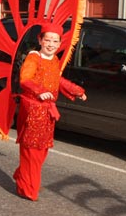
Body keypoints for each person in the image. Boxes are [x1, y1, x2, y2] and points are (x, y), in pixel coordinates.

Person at [13, 22, 87, 201]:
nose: (51, 44)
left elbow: (57, 80)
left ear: (60, 43)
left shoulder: (54, 60)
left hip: (47, 113)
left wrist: (77, 90)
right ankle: (28, 188)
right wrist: (39, 90)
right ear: (40, 40)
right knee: (31, 151)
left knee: (42, 151)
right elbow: (25, 79)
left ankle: (23, 177)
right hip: (33, 109)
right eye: (48, 40)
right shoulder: (33, 58)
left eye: (55, 41)